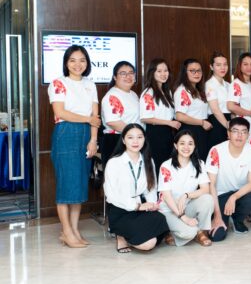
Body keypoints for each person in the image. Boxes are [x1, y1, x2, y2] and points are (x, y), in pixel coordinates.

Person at [48, 45, 101, 248]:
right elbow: (60, 112)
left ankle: (75, 229)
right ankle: (66, 232)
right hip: (66, 133)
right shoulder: (59, 83)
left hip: (86, 134)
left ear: (87, 63)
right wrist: (87, 119)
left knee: (79, 183)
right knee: (66, 184)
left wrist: (93, 139)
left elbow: (95, 116)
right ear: (66, 63)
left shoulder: (90, 84)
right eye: (72, 60)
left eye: (82, 60)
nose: (78, 64)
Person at [104, 124, 169, 253]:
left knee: (160, 219)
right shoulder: (114, 162)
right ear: (123, 140)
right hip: (121, 209)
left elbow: (151, 188)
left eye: (139, 137)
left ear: (144, 139)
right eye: (130, 137)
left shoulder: (148, 160)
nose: (135, 141)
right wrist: (136, 206)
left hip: (141, 208)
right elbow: (111, 195)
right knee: (148, 244)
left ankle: (132, 235)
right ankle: (121, 235)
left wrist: (152, 205)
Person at [205, 117, 251, 241]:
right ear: (228, 134)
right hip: (219, 196)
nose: (239, 135)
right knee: (217, 236)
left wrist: (233, 197)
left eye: (243, 132)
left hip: (239, 195)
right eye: (235, 131)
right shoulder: (216, 150)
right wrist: (217, 216)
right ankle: (222, 216)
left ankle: (237, 220)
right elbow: (211, 184)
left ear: (248, 135)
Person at [157, 130, 214, 246]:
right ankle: (173, 231)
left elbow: (205, 189)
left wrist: (186, 195)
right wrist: (183, 217)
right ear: (176, 145)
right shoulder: (166, 166)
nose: (186, 147)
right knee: (189, 233)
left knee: (208, 199)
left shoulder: (199, 164)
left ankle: (201, 232)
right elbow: (166, 196)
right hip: (168, 210)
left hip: (186, 207)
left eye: (190, 143)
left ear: (194, 146)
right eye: (182, 143)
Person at [140, 58, 181, 172]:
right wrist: (169, 122)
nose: (163, 74)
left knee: (168, 166)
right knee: (159, 166)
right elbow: (145, 118)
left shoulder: (167, 91)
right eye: (159, 71)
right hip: (155, 134)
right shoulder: (148, 92)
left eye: (166, 70)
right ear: (152, 73)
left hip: (168, 133)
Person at [101, 61, 140, 162]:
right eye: (123, 73)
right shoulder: (112, 96)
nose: (128, 76)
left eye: (131, 73)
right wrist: (135, 133)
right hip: (117, 141)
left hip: (132, 139)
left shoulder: (133, 94)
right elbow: (113, 122)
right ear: (115, 77)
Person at [174, 58, 213, 160]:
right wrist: (202, 122)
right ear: (184, 73)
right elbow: (179, 116)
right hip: (191, 130)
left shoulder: (198, 90)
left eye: (199, 70)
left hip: (201, 130)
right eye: (192, 71)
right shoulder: (182, 90)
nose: (197, 73)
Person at [227, 52, 251, 136]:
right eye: (245, 64)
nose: (249, 67)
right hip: (243, 125)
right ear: (240, 66)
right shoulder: (237, 84)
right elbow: (231, 106)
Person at [205, 52, 231, 148]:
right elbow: (215, 110)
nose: (222, 68)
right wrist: (228, 126)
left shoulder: (228, 85)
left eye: (225, 64)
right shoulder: (210, 84)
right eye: (218, 65)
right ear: (211, 67)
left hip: (229, 120)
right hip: (217, 122)